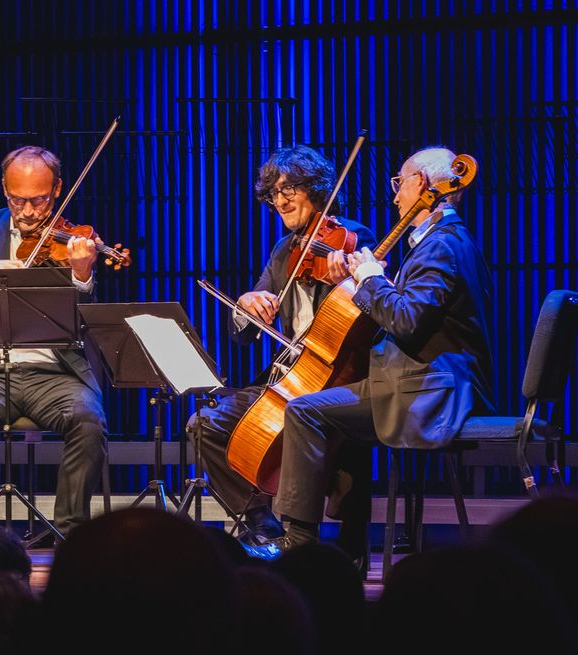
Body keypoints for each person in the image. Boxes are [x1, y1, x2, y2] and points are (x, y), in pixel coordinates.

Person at [269, 146, 495, 551]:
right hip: (415, 381)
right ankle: (345, 547)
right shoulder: (443, 241)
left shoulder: (441, 245)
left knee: (305, 410)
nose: (394, 196)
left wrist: (372, 279)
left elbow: (405, 321)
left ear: (422, 184)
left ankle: (298, 541)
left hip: (431, 391)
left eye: (399, 183)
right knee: (324, 407)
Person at [187, 145, 376, 559]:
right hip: (289, 378)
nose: (281, 199)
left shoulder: (355, 237)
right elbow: (245, 332)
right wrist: (248, 304)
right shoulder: (284, 250)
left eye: (291, 188)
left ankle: (330, 542)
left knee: (314, 422)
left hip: (343, 380)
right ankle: (263, 524)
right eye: (274, 192)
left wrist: (354, 279)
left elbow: (381, 309)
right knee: (203, 425)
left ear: (318, 189)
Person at [0, 146, 108, 536]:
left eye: (39, 200)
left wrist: (81, 275)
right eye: (18, 200)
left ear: (58, 189)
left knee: (89, 419)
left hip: (55, 374)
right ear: (4, 190)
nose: (29, 212)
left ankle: (70, 533)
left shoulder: (74, 241)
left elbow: (87, 318)